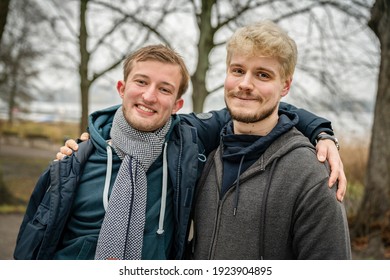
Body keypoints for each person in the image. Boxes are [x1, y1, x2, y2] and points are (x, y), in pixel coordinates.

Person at [14, 44, 344, 260]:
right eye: (141, 82)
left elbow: (258, 103)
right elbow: (31, 245)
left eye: (164, 89)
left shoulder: (189, 141)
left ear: (177, 104)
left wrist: (321, 132)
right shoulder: (74, 160)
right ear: (122, 88)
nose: (149, 96)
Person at [191, 20, 351, 260]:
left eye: (262, 75)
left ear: (285, 86)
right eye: (237, 71)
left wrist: (323, 133)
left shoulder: (310, 173)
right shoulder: (205, 154)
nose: (245, 84)